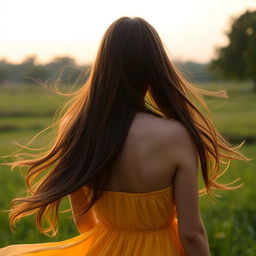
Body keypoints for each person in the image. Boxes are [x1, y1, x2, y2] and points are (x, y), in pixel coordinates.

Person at [0, 16, 250, 256]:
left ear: (103, 66)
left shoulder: (75, 129)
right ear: (155, 67)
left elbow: (84, 220)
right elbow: (191, 233)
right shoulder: (176, 135)